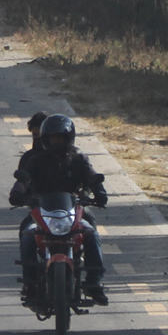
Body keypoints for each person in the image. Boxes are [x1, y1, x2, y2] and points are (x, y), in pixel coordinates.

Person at [9, 114, 109, 304]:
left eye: (60, 138)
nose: (56, 142)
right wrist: (18, 194)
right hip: (42, 210)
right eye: (53, 138)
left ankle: (94, 283)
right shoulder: (35, 160)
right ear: (46, 139)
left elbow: (92, 176)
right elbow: (23, 180)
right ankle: (30, 283)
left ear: (68, 138)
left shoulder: (78, 158)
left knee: (91, 233)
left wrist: (99, 192)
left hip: (73, 208)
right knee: (27, 234)